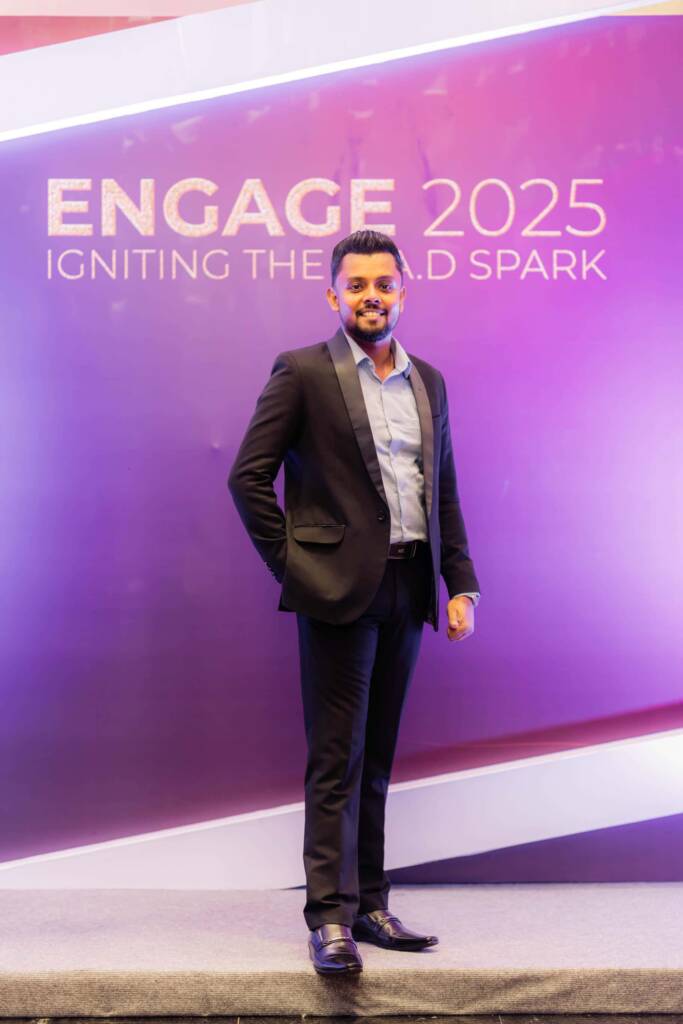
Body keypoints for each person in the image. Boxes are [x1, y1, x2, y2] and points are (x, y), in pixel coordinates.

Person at [228, 229, 480, 975]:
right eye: (357, 285)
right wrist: (297, 567)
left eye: (384, 284)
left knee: (376, 761)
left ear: (403, 291)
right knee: (336, 761)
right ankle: (328, 919)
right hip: (335, 593)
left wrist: (459, 581)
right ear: (333, 295)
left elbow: (442, 488)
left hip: (408, 585)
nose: (372, 296)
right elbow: (247, 476)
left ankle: (370, 905)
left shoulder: (428, 381)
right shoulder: (303, 371)